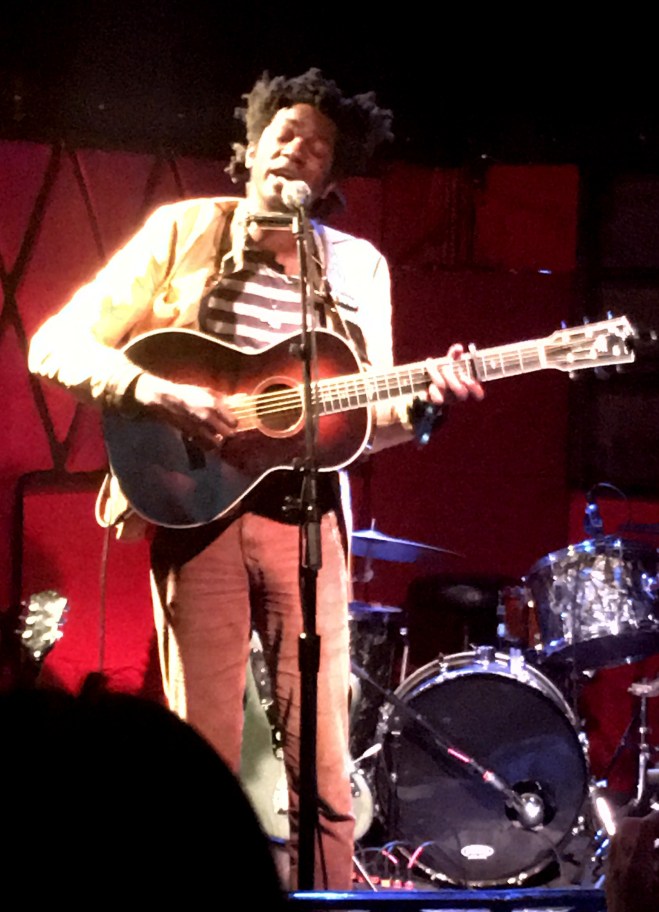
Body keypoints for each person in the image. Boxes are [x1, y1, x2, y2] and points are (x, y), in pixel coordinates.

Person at [28, 67, 484, 891]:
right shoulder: (183, 230)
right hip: (193, 503)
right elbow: (54, 342)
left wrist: (424, 407)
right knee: (199, 751)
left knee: (325, 757)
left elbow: (364, 417)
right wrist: (151, 389)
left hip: (306, 516)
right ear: (252, 146)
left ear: (332, 175)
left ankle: (327, 899)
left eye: (319, 146)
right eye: (285, 133)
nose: (298, 150)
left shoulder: (355, 266)